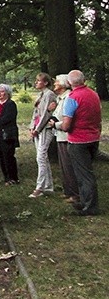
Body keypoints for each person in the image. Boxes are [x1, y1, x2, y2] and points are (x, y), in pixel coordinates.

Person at [60, 70, 102, 216]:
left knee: (84, 175)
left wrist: (56, 125)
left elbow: (66, 125)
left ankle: (90, 207)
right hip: (93, 138)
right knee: (84, 173)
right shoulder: (93, 94)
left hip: (78, 140)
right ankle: (84, 202)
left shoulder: (72, 97)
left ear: (70, 83)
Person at [48, 75, 79, 204]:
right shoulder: (60, 98)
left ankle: (75, 194)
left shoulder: (68, 98)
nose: (55, 84)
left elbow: (67, 118)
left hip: (66, 136)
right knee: (64, 165)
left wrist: (54, 123)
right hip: (60, 135)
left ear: (63, 84)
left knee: (69, 165)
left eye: (57, 82)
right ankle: (68, 191)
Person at [28, 72, 57, 198]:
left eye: (39, 81)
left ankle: (40, 187)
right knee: (42, 157)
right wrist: (31, 127)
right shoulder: (40, 95)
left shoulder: (49, 94)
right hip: (37, 128)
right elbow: (36, 112)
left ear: (45, 82)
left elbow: (46, 113)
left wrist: (38, 129)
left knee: (41, 156)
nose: (36, 83)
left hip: (45, 129)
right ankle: (48, 187)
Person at [0, 84, 20, 186]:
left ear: (7, 93)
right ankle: (6, 177)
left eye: (2, 91)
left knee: (8, 156)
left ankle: (13, 178)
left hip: (7, 134)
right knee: (1, 156)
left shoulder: (11, 104)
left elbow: (7, 119)